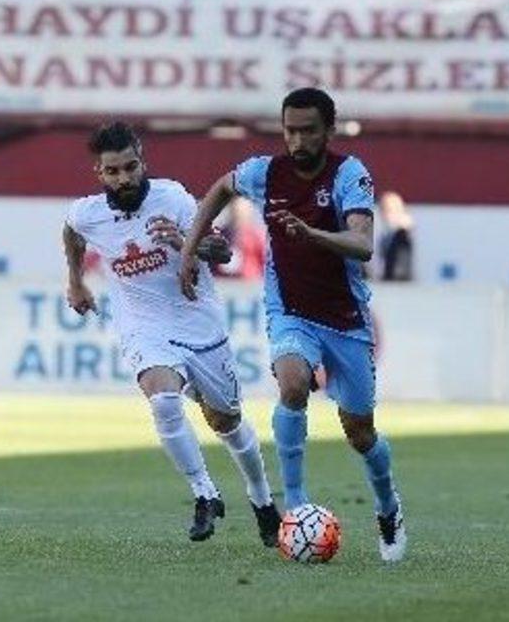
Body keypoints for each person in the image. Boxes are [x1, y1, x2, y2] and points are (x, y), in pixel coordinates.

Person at [178, 87, 407, 563]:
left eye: (308, 131)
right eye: (290, 131)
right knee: (293, 382)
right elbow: (221, 188)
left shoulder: (349, 174)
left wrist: (311, 234)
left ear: (330, 130)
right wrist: (189, 247)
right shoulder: (266, 172)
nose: (298, 141)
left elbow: (363, 244)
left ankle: (388, 508)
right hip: (290, 312)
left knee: (360, 433)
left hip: (346, 320)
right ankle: (296, 506)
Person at [63, 121, 282, 546]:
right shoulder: (89, 213)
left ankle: (261, 499)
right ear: (99, 173)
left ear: (142, 163)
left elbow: (222, 251)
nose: (124, 179)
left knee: (227, 421)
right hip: (144, 327)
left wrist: (185, 242)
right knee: (163, 399)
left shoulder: (173, 198)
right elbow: (72, 232)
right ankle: (204, 493)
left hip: (198, 324)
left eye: (130, 167)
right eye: (113, 171)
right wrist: (75, 281)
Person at [214, 197, 266, 280]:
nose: (241, 215)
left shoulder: (257, 235)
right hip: (223, 282)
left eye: (244, 212)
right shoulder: (222, 234)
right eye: (237, 211)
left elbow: (265, 262)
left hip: (250, 281)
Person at [377, 191, 415, 282]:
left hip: (397, 282)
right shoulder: (385, 231)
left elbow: (401, 269)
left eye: (388, 209)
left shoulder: (402, 234)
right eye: (383, 208)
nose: (384, 212)